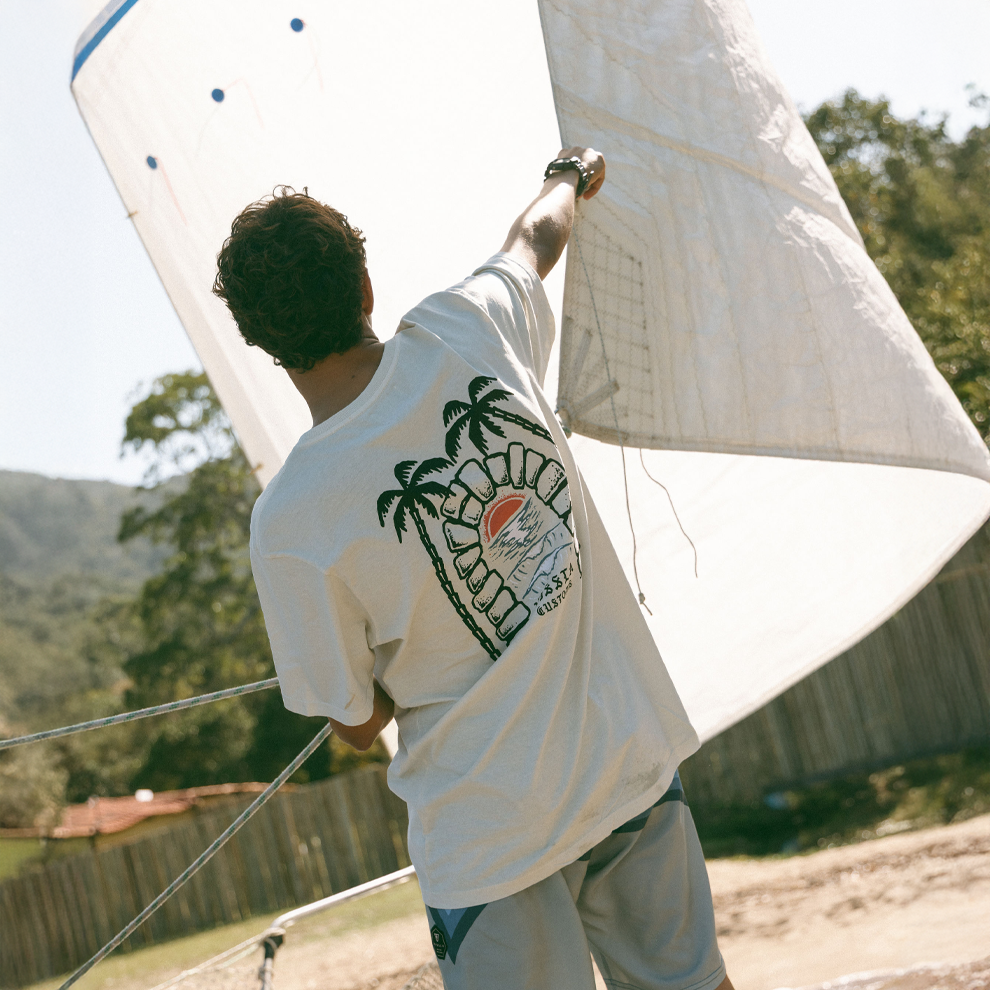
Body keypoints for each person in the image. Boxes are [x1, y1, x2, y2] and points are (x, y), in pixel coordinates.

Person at [214, 147, 734, 990]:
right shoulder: (467, 324)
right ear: (365, 288)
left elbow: (354, 721)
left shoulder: (289, 522)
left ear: (260, 343)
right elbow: (535, 239)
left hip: (487, 845)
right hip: (623, 764)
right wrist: (569, 174)